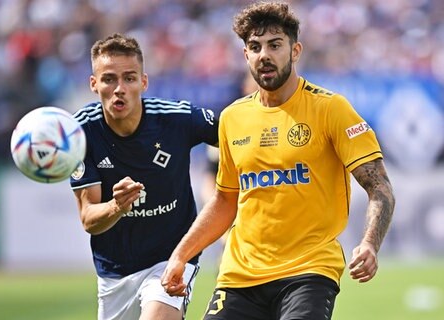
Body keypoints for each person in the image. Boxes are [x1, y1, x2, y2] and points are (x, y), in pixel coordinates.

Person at [161, 2, 396, 320]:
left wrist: (370, 244)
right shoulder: (232, 118)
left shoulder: (331, 109)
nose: (264, 55)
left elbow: (380, 187)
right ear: (245, 55)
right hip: (240, 275)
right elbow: (225, 200)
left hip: (309, 271)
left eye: (275, 45)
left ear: (295, 50)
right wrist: (181, 255)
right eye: (255, 47)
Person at [69, 33, 218, 320]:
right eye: (109, 79)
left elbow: (235, 133)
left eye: (129, 78)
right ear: (94, 84)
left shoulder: (176, 119)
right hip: (114, 272)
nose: (119, 88)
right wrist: (117, 206)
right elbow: (89, 219)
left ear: (144, 82)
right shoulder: (80, 133)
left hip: (171, 259)